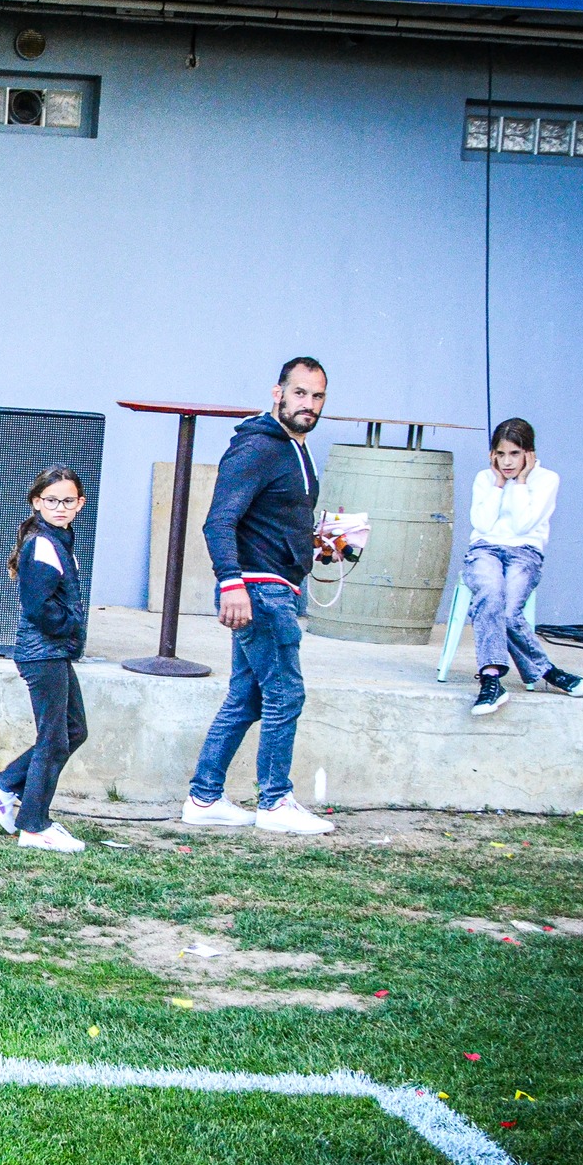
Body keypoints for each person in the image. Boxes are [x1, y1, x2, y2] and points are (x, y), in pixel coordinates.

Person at [180, 356, 334, 836]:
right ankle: (275, 802)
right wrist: (231, 582)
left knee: (246, 697)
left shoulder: (293, 446)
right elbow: (219, 520)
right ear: (278, 393)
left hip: (273, 585)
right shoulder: (259, 449)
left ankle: (204, 800)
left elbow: (270, 519)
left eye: (318, 396)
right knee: (286, 692)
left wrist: (318, 541)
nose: (309, 404)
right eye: (300, 393)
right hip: (260, 591)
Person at [0, 466, 91, 853]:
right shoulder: (42, 544)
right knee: (54, 740)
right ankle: (35, 824)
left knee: (73, 731)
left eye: (68, 500)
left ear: (80, 504)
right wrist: (70, 625)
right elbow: (38, 606)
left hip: (54, 652)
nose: (60, 507)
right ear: (37, 503)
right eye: (52, 500)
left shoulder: (59, 540)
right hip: (43, 653)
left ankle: (5, 784)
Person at [461, 418, 583, 715]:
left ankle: (537, 673)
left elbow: (522, 525)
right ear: (493, 453)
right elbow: (481, 524)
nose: (507, 462)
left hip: (525, 553)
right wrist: (498, 484)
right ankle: (495, 678)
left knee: (507, 612)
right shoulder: (485, 478)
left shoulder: (546, 479)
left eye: (515, 454)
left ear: (529, 453)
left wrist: (519, 483)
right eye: (501, 454)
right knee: (490, 593)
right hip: (484, 550)